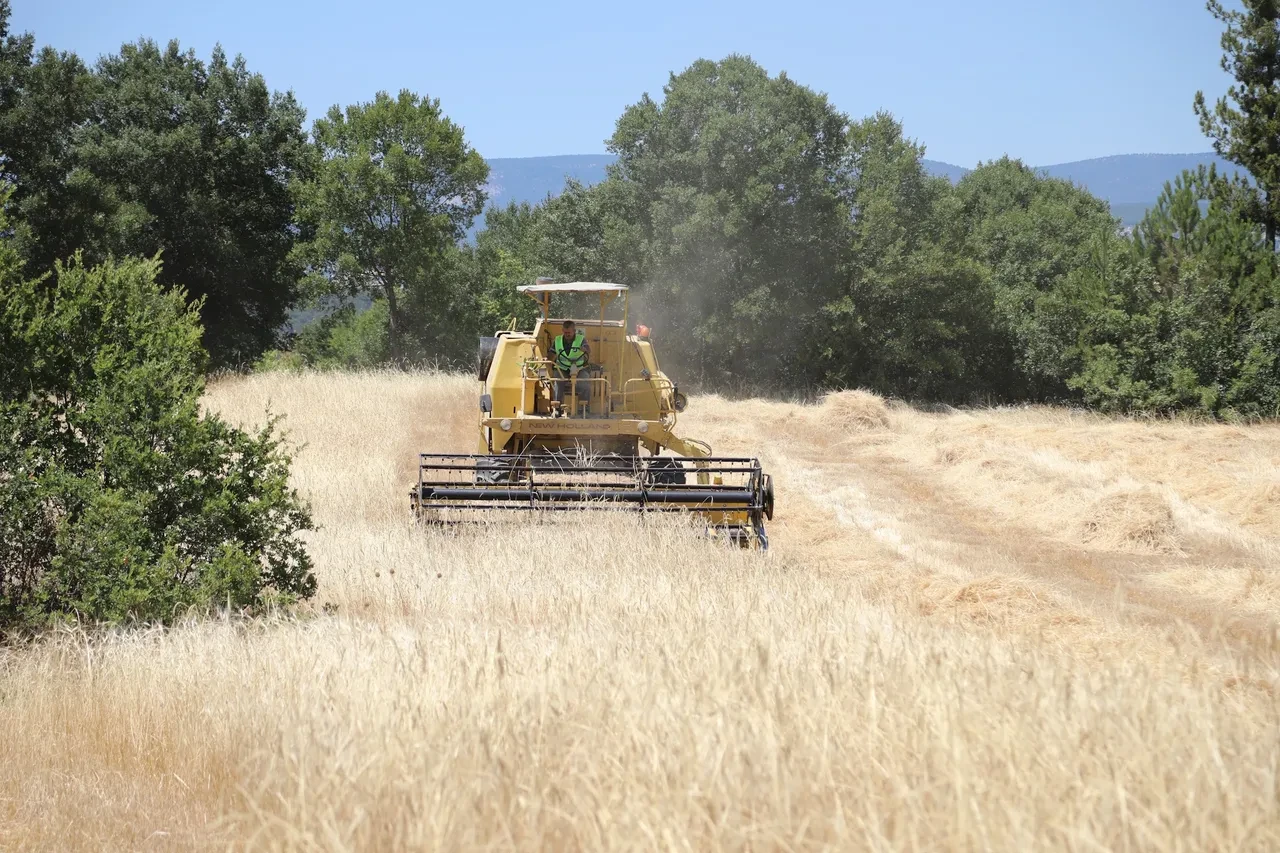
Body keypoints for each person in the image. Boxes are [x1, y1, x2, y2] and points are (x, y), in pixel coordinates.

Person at [551, 320, 591, 413]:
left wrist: (585, 349)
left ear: (574, 331)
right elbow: (551, 352)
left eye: (569, 332)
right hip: (562, 368)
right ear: (562, 330)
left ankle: (584, 408)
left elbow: (588, 349)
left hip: (579, 368)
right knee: (557, 381)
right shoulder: (557, 340)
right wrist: (547, 358)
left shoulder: (581, 339)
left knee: (584, 382)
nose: (567, 334)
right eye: (565, 332)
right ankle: (557, 408)